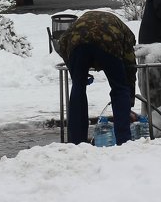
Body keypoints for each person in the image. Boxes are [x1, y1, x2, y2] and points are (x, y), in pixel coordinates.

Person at [56, 11, 136, 145]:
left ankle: (76, 141)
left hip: (77, 42)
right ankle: (124, 141)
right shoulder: (126, 33)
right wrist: (129, 99)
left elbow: (63, 44)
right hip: (108, 42)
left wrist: (76, 72)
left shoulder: (78, 25)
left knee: (78, 88)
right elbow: (130, 65)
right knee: (120, 89)